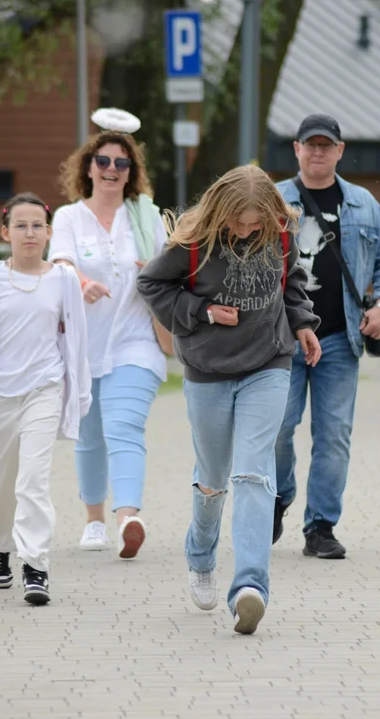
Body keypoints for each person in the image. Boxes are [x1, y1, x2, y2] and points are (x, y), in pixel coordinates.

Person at [137, 164, 322, 635]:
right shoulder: (193, 242)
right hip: (208, 371)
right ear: (220, 212)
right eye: (237, 223)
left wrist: (302, 323)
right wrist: (201, 311)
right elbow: (152, 286)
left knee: (254, 473)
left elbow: (292, 281)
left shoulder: (279, 233)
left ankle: (249, 589)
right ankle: (201, 555)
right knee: (215, 477)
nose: (245, 230)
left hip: (269, 364)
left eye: (253, 223)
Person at [0, 193, 91, 606]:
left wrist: (77, 396)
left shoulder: (64, 280)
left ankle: (35, 565)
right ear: (5, 231)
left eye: (37, 226)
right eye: (21, 226)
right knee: (0, 484)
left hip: (44, 390)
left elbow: (77, 342)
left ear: (49, 233)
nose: (29, 234)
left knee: (33, 480)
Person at [273, 114, 380, 558]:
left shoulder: (364, 204)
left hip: (339, 341)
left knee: (333, 436)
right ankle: (278, 495)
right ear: (296, 149)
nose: (317, 152)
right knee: (277, 429)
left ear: (340, 151)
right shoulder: (274, 200)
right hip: (281, 338)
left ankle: (321, 527)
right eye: (310, 145)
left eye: (326, 145)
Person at [48, 108, 170, 559]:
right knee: (90, 436)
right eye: (104, 162)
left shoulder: (145, 217)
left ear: (131, 172)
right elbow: (59, 262)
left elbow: (169, 269)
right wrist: (80, 281)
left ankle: (128, 518)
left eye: (122, 164)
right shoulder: (68, 217)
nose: (113, 170)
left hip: (136, 340)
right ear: (88, 167)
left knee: (125, 427)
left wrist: (152, 270)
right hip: (82, 345)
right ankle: (94, 520)